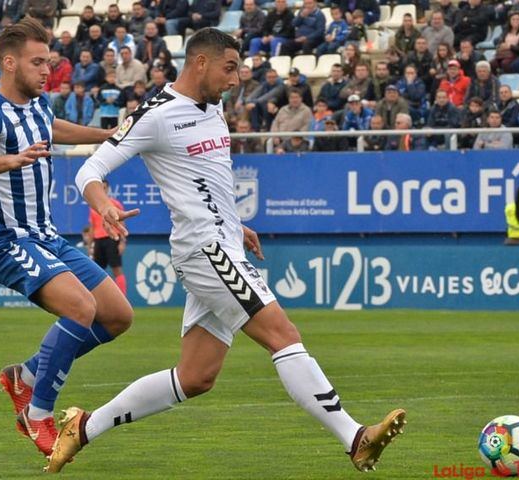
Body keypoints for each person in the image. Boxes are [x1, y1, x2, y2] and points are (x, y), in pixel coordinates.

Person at [48, 27, 406, 474]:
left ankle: (83, 428)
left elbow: (208, 180)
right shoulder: (156, 114)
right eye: (230, 67)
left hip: (222, 243)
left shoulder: (214, 108)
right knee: (283, 334)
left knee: (196, 377)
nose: (236, 80)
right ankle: (355, 437)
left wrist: (237, 225)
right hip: (205, 251)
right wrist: (103, 204)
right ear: (200, 62)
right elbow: (90, 170)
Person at [0, 17, 134, 459]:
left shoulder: (38, 105)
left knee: (116, 315)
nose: (46, 71)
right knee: (81, 307)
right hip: (9, 242)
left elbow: (54, 128)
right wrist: (12, 160)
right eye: (38, 63)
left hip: (47, 237)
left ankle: (29, 375)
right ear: (9, 63)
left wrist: (106, 136)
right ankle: (37, 415)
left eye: (48, 62)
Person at [86, 180, 128, 295]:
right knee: (97, 272)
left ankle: (122, 298)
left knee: (116, 269)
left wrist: (122, 242)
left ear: (108, 189)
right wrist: (90, 245)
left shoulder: (115, 204)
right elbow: (92, 227)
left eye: (105, 188)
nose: (103, 190)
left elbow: (122, 225)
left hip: (112, 239)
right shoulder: (93, 207)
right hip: (98, 240)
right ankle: (99, 299)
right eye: (101, 188)